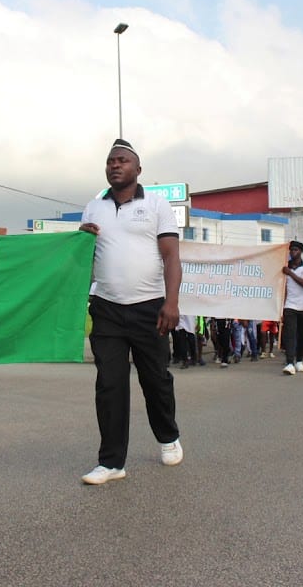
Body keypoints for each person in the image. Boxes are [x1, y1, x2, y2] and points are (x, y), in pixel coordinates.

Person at [78, 138, 183, 485]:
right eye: (111, 161)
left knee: (155, 380)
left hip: (149, 307)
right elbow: (83, 258)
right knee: (109, 384)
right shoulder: (93, 208)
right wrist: (81, 237)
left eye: (122, 160)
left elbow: (171, 256)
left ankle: (167, 436)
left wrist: (171, 302)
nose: (115, 165)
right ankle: (111, 463)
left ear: (138, 169)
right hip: (106, 307)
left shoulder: (156, 205)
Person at [280, 240, 303, 376]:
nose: (293, 252)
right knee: (289, 335)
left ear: (301, 251)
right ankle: (290, 362)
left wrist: (290, 273)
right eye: (291, 250)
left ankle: (299, 360)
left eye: (295, 250)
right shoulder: (285, 266)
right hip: (290, 305)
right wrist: (281, 307)